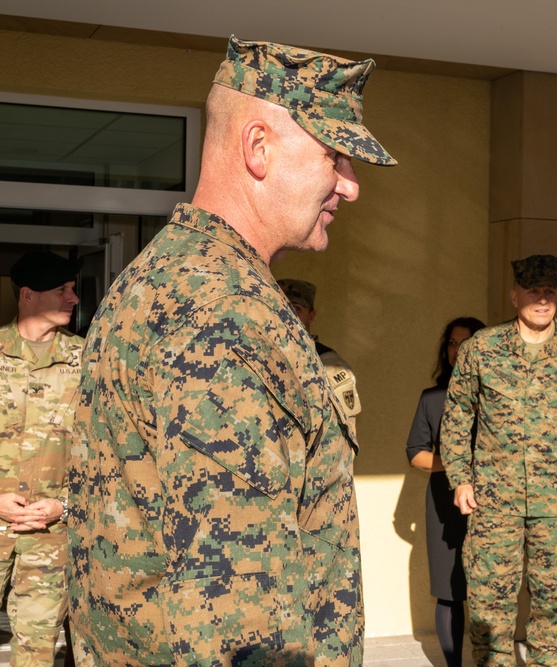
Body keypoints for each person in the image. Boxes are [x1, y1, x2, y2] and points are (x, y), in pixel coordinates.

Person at [68, 35, 395, 665]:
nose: (350, 188)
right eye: (336, 158)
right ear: (258, 147)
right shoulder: (220, 313)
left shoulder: (170, 277)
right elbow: (239, 614)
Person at [440, 254, 557, 667]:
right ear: (515, 296)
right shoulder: (482, 349)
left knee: (552, 613)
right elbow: (458, 415)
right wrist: (460, 478)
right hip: (494, 505)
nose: (542, 299)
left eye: (550, 290)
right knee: (489, 615)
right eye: (534, 291)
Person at [0, 250, 82, 666]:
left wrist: (64, 504)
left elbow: (103, 454)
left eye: (72, 288)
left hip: (52, 535)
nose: (74, 298)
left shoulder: (88, 363)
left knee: (36, 654)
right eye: (62, 290)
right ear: (28, 295)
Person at [406, 316, 486, 667]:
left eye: (465, 342)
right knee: (450, 592)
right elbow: (416, 453)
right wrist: (456, 464)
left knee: (489, 591)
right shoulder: (433, 397)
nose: (457, 350)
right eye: (452, 343)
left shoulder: (499, 394)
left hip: (492, 503)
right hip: (444, 503)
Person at [279, 278, 362, 450]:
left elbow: (344, 440)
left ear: (311, 316)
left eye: (296, 308)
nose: (289, 316)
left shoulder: (329, 365)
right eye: (281, 308)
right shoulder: (263, 357)